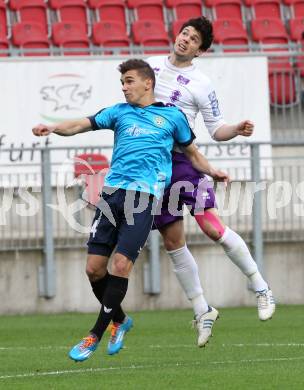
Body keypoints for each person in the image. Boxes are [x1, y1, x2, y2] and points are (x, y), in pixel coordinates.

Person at [32, 59, 228, 362]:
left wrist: (213, 172)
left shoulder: (172, 117)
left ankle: (94, 334)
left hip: (144, 198)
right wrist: (53, 127)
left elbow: (193, 154)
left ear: (147, 83)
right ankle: (121, 320)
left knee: (121, 265)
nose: (124, 88)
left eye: (129, 81)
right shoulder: (119, 112)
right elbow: (80, 124)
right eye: (122, 82)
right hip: (111, 196)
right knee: (94, 269)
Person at [109, 17, 275, 351]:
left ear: (200, 50)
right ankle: (202, 309)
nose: (185, 39)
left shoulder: (201, 84)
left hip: (184, 161)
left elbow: (216, 129)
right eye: (185, 33)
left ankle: (261, 287)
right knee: (173, 242)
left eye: (194, 38)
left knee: (212, 228)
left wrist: (237, 128)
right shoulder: (151, 67)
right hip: (154, 168)